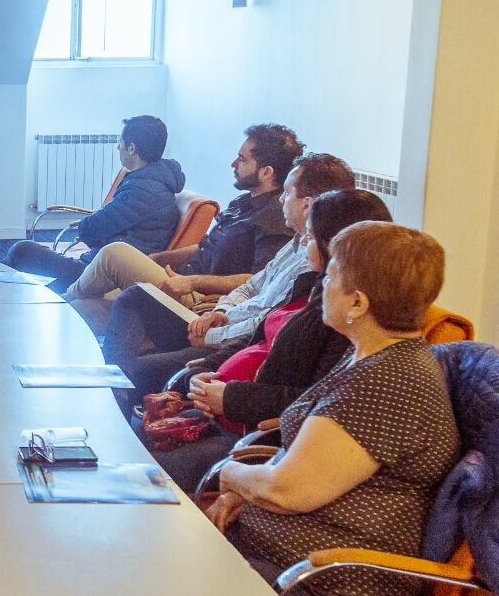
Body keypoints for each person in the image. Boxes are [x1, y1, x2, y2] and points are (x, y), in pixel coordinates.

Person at [18, 221, 459, 596]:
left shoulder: (386, 384)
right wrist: (244, 490)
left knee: (136, 575)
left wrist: (234, 478)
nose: (320, 282)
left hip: (338, 590)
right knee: (130, 550)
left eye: (332, 275)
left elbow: (288, 490)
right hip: (297, 561)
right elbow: (297, 464)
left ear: (358, 301)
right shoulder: (374, 360)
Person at [142, 188, 392, 492]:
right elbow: (258, 334)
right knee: (137, 435)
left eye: (310, 237)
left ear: (337, 245)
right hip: (229, 412)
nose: (302, 241)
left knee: (145, 472)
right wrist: (206, 369)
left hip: (256, 439)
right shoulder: (312, 285)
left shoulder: (346, 319)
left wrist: (231, 398)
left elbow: (312, 402)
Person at [105, 152, 354, 397]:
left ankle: (114, 384)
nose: (281, 201)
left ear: (307, 203)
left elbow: (264, 326)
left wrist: (212, 332)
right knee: (134, 297)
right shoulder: (295, 242)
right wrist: (221, 312)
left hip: (229, 344)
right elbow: (252, 287)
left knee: (133, 370)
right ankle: (112, 377)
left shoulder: (314, 264)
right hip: (218, 322)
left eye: (287, 194)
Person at [63, 123, 301, 304]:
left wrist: (192, 282)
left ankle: (62, 298)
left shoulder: (276, 218)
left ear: (266, 172)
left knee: (114, 254)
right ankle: (66, 303)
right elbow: (206, 246)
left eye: (242, 159)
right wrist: (160, 258)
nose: (233, 164)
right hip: (181, 279)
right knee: (85, 307)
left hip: (198, 300)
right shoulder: (244, 202)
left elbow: (259, 280)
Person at [5, 116, 183, 291]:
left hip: (100, 275)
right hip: (99, 263)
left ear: (131, 148)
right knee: (20, 259)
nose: (117, 147)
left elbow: (89, 230)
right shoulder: (153, 180)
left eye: (120, 143)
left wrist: (95, 230)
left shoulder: (142, 190)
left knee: (22, 251)